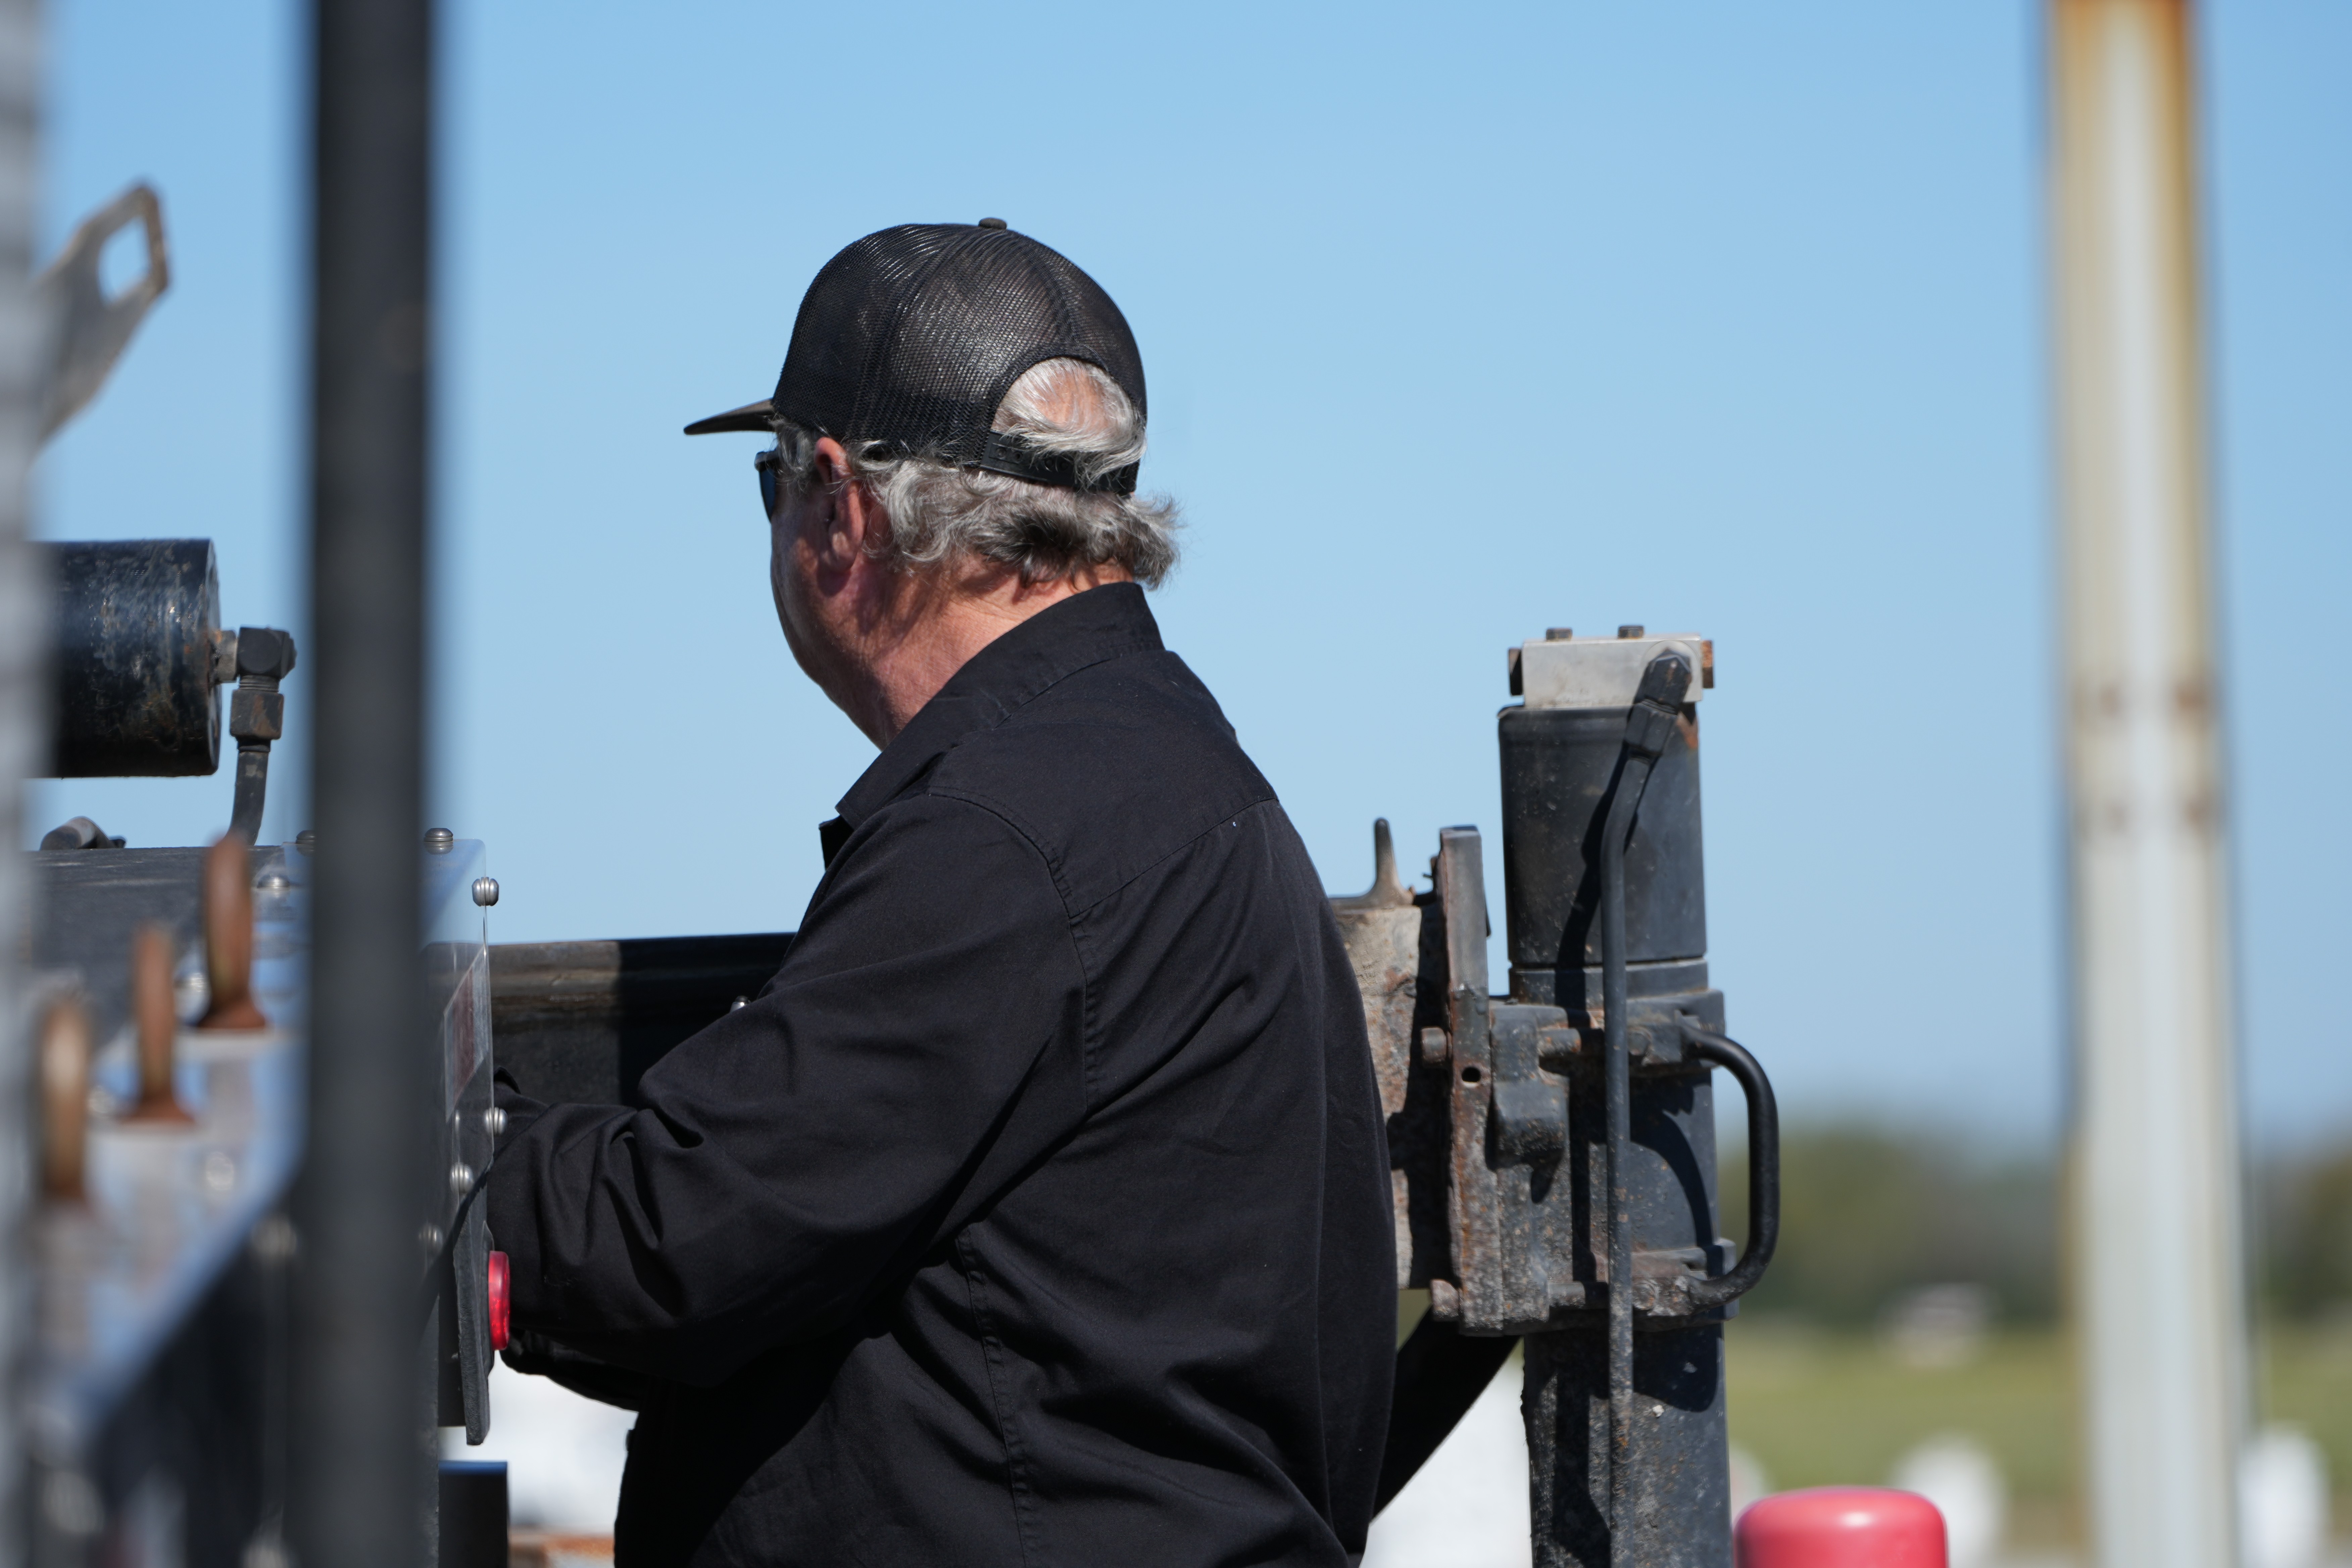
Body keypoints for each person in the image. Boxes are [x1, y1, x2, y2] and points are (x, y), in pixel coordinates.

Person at [485, 220, 1396, 1566]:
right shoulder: (1164, 772)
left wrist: (418, 1135)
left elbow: (679, 1234)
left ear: (842, 507)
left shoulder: (1002, 834)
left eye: (771, 480)